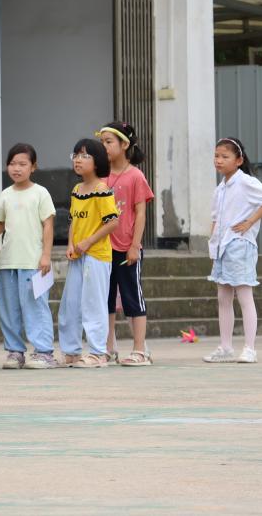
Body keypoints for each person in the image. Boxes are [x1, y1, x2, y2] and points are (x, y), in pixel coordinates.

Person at [0, 144, 57, 370]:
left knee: (36, 307)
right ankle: (15, 351)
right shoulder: (5, 195)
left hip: (33, 262)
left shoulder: (41, 193)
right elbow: (0, 224)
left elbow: (48, 225)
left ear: (33, 167)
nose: (17, 168)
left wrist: (46, 255)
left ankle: (44, 352)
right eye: (12, 164)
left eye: (22, 164)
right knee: (9, 309)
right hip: (8, 262)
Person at [203, 137, 262, 365]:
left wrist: (249, 222)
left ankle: (250, 348)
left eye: (225, 156)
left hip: (240, 245)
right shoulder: (220, 188)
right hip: (222, 247)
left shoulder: (246, 182)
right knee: (223, 297)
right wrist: (213, 241)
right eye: (216, 156)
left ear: (238, 160)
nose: (219, 160)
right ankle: (226, 347)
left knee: (244, 296)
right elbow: (215, 218)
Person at [97, 122, 155, 367]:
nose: (104, 146)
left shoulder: (135, 176)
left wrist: (134, 246)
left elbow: (140, 213)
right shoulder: (99, 175)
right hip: (102, 249)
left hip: (126, 248)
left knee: (133, 299)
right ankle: (108, 348)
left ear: (124, 145)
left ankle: (140, 350)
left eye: (109, 141)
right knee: (106, 300)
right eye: (102, 142)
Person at [58, 139, 120, 368]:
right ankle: (71, 351)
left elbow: (112, 222)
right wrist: (71, 244)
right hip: (78, 255)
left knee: (93, 304)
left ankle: (98, 353)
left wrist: (88, 242)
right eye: (76, 155)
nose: (78, 160)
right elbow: (74, 220)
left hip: (97, 256)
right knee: (70, 303)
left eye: (85, 156)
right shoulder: (77, 190)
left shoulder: (102, 190)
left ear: (97, 162)